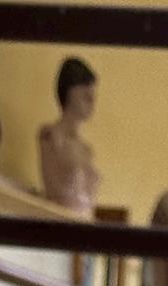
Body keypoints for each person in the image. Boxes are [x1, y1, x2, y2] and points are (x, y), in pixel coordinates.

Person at [38, 58, 99, 213]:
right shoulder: (50, 136)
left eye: (93, 96)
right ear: (70, 93)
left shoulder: (86, 149)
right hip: (58, 222)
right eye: (85, 95)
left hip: (85, 223)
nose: (92, 101)